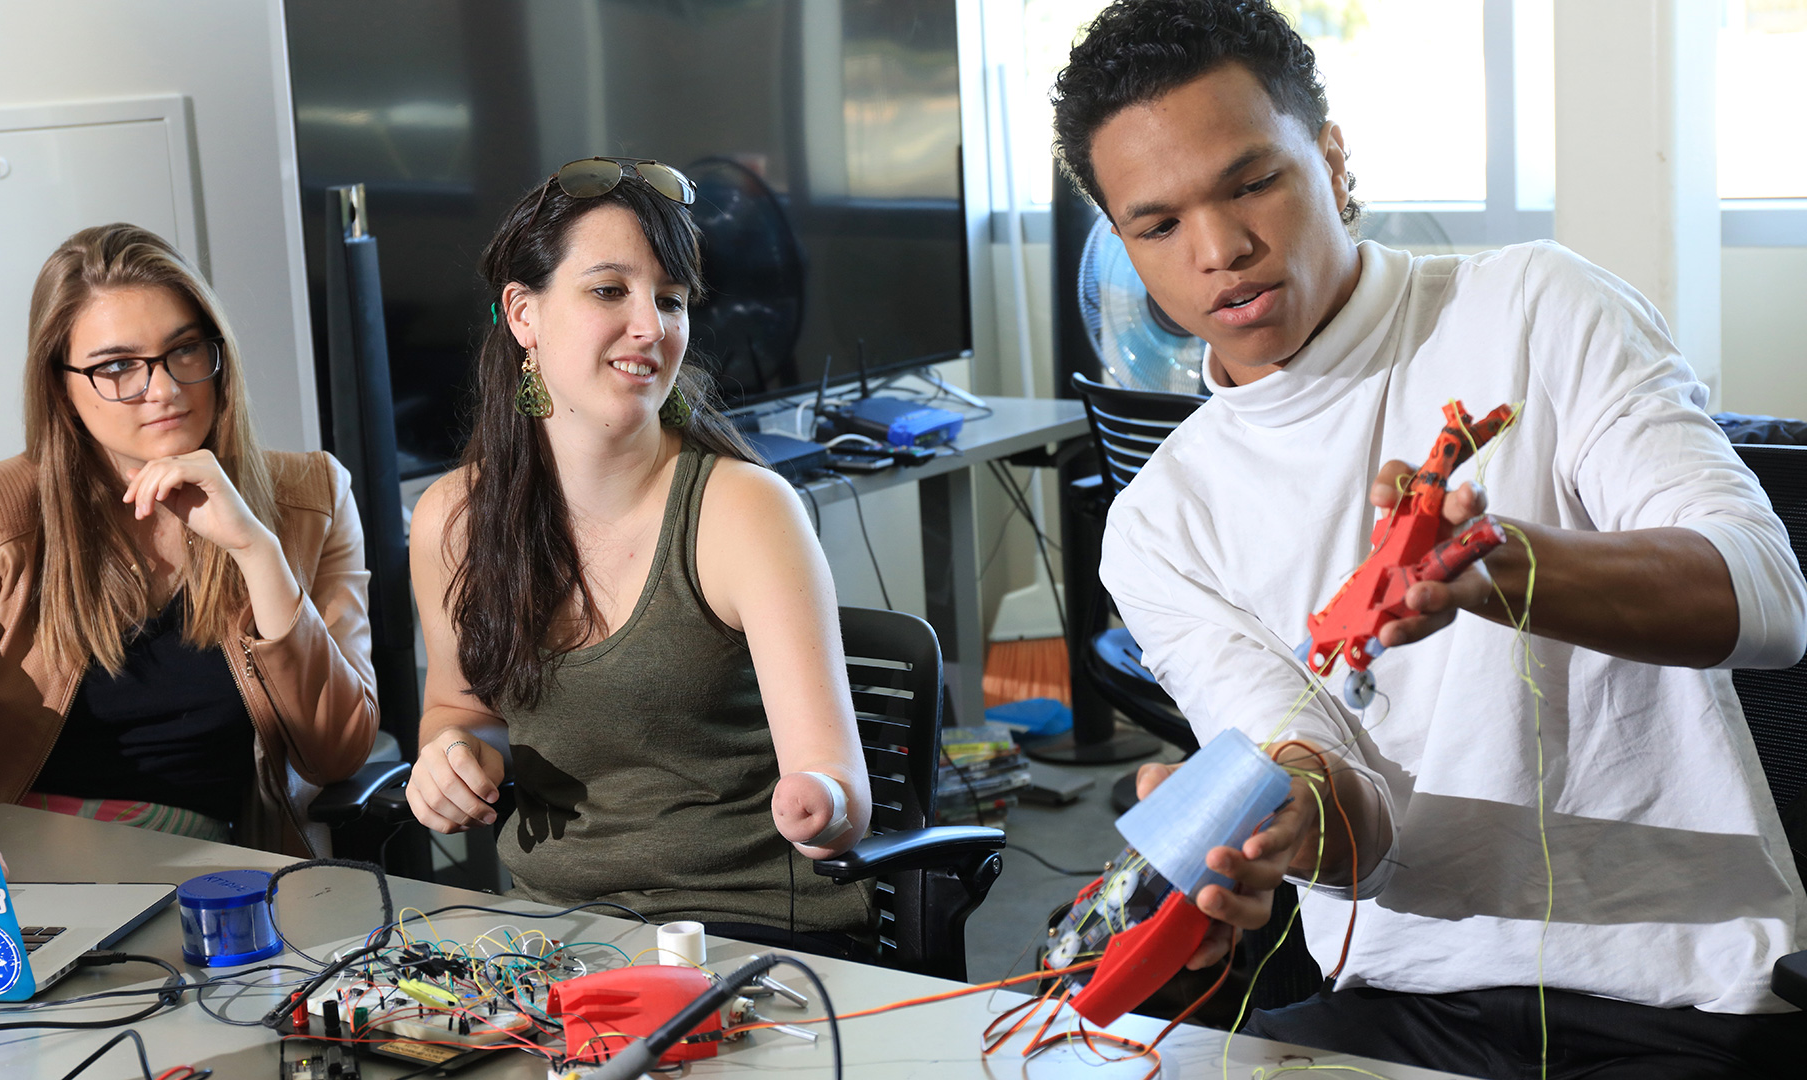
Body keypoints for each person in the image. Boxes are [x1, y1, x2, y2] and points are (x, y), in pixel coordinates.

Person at [1054, 2, 1807, 1076]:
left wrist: (1507, 569)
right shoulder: (1157, 524)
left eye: (1251, 182)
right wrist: (1289, 826)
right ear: (1123, 244)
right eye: (1158, 225)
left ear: (1330, 156)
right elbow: (1349, 808)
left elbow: (1772, 601)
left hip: (1688, 995)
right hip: (1401, 1006)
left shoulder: (1537, 307)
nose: (1220, 251)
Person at [403, 158, 875, 938]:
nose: (653, 326)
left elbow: (840, 785)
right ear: (523, 314)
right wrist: (453, 756)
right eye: (609, 290)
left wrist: (822, 802)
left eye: (671, 298)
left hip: (746, 931)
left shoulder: (746, 510)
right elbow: (458, 708)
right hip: (553, 936)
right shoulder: (453, 518)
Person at [0, 223, 377, 854]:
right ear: (61, 388)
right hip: (29, 857)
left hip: (218, 869)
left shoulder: (312, 496)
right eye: (118, 367)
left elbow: (337, 753)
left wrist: (257, 551)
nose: (166, 389)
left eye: (186, 351)